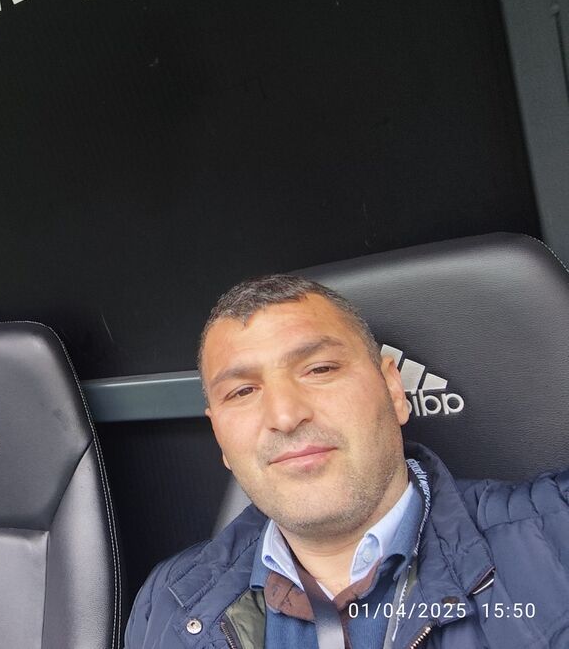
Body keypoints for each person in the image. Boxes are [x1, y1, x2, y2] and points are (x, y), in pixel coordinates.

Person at [124, 275, 569, 648]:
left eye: (319, 370)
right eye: (242, 392)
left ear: (394, 391)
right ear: (219, 437)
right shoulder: (166, 604)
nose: (285, 416)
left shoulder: (556, 538)